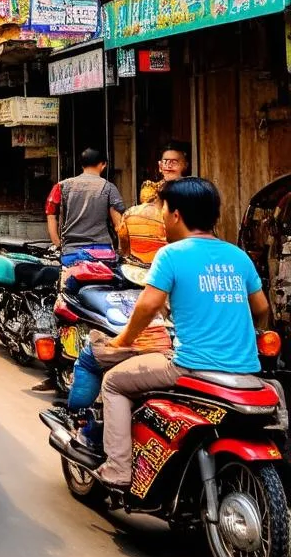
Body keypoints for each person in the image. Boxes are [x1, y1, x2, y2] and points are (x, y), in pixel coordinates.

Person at [97, 177, 271, 488]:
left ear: (176, 214)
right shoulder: (237, 255)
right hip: (247, 369)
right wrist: (250, 335)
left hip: (189, 366)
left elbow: (148, 306)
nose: (162, 216)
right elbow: (261, 309)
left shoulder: (171, 255)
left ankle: (118, 468)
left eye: (163, 209)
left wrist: (123, 340)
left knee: (112, 383)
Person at [45, 148, 125, 266]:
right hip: (102, 253)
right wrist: (122, 250)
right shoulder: (109, 188)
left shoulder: (61, 186)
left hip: (71, 253)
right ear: (103, 165)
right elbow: (119, 225)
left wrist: (57, 244)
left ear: (81, 165)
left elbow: (51, 216)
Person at [116, 180, 167, 265]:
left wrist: (126, 256)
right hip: (159, 264)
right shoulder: (163, 213)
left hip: (134, 265)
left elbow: (122, 236)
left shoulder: (130, 212)